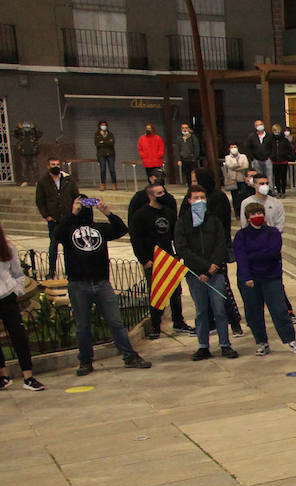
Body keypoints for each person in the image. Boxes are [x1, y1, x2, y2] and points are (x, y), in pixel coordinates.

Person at [56, 196, 152, 376]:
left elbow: (121, 229)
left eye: (86, 204)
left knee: (115, 322)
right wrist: (72, 213)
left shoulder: (99, 228)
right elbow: (57, 234)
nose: (84, 207)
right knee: (82, 325)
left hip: (101, 282)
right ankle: (85, 360)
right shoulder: (68, 228)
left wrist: (107, 212)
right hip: (79, 284)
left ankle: (129, 356)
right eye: (81, 204)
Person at [175, 185, 238, 361]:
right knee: (201, 311)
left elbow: (221, 243)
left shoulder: (214, 220)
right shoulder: (183, 222)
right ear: (189, 200)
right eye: (196, 198)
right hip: (195, 274)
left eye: (202, 197)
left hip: (215, 272)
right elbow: (182, 248)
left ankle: (225, 344)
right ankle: (203, 346)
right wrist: (203, 267)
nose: (200, 201)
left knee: (219, 309)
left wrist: (213, 267)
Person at [233, 202, 296, 356]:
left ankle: (290, 340)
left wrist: (252, 256)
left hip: (271, 276)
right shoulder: (241, 235)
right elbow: (241, 257)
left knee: (279, 309)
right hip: (250, 279)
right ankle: (261, 342)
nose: (257, 216)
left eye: (259, 213)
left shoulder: (273, 233)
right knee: (253, 312)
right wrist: (247, 275)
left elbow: (272, 253)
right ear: (248, 217)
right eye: (253, 214)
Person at [128, 178, 192, 338]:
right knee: (156, 294)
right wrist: (144, 260)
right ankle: (155, 325)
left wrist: (177, 254)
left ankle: (178, 321)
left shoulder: (169, 213)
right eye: (159, 193)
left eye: (163, 192)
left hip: (169, 257)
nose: (163, 195)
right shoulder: (140, 215)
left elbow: (175, 235)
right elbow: (136, 240)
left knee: (176, 292)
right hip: (152, 259)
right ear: (151, 196)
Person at [0, 223, 44, 391]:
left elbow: (18, 274)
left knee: (18, 336)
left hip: (7, 297)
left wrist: (17, 290)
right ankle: (3, 376)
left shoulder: (7, 249)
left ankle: (28, 377)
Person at [35, 157, 78, 277]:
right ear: (48, 166)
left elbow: (76, 196)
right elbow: (40, 200)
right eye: (53, 164)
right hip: (54, 219)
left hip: (67, 218)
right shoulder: (43, 181)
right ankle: (51, 271)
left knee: (69, 246)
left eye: (58, 164)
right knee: (53, 245)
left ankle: (70, 270)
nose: (56, 166)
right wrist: (47, 216)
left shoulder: (68, 179)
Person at [224, 142, 251, 214]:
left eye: (234, 147)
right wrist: (239, 166)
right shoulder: (227, 157)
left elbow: (245, 166)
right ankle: (237, 212)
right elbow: (230, 166)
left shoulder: (243, 156)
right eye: (231, 147)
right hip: (233, 180)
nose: (233, 148)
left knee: (243, 195)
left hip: (242, 178)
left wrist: (236, 167)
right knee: (235, 197)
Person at [13, 121, 42, 186]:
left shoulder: (33, 134)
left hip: (33, 152)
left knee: (35, 167)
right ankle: (25, 181)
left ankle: (37, 181)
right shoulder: (21, 134)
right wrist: (18, 128)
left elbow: (39, 134)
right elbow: (15, 134)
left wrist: (34, 128)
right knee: (24, 168)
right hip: (23, 152)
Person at [269, 123, 294, 194]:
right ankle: (278, 191)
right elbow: (269, 149)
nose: (276, 132)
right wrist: (271, 155)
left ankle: (283, 191)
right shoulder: (271, 140)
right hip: (274, 162)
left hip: (283, 161)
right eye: (274, 130)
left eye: (277, 130)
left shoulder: (284, 140)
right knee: (276, 177)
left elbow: (289, 149)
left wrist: (287, 156)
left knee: (283, 177)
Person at [95, 121, 117, 190]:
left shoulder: (110, 134)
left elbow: (112, 143)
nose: (103, 126)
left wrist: (103, 141)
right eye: (102, 125)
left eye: (104, 125)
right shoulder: (97, 134)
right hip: (101, 154)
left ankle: (114, 184)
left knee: (112, 169)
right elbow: (97, 144)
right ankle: (103, 184)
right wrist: (107, 141)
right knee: (103, 170)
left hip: (110, 154)